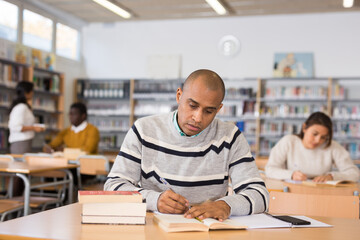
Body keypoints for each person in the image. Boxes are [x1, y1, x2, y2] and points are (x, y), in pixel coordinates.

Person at [105, 69, 269, 221]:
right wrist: (154, 200)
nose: (197, 118)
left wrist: (226, 205)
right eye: (193, 105)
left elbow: (260, 195)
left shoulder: (230, 136)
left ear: (218, 109)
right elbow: (113, 187)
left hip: (208, 230)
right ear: (179, 96)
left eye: (208, 111)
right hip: (156, 228)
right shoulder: (144, 130)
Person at [265, 111, 360, 182]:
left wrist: (332, 176)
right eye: (314, 134)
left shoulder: (332, 146)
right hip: (293, 190)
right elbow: (270, 169)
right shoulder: (289, 142)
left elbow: (354, 174)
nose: (318, 140)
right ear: (304, 128)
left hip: (321, 192)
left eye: (323, 137)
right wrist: (291, 174)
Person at [8, 81, 45, 154]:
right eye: (32, 91)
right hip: (20, 143)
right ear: (26, 92)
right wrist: (34, 128)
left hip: (24, 142)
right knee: (20, 165)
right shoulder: (21, 107)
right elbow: (16, 127)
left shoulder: (24, 107)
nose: (33, 93)